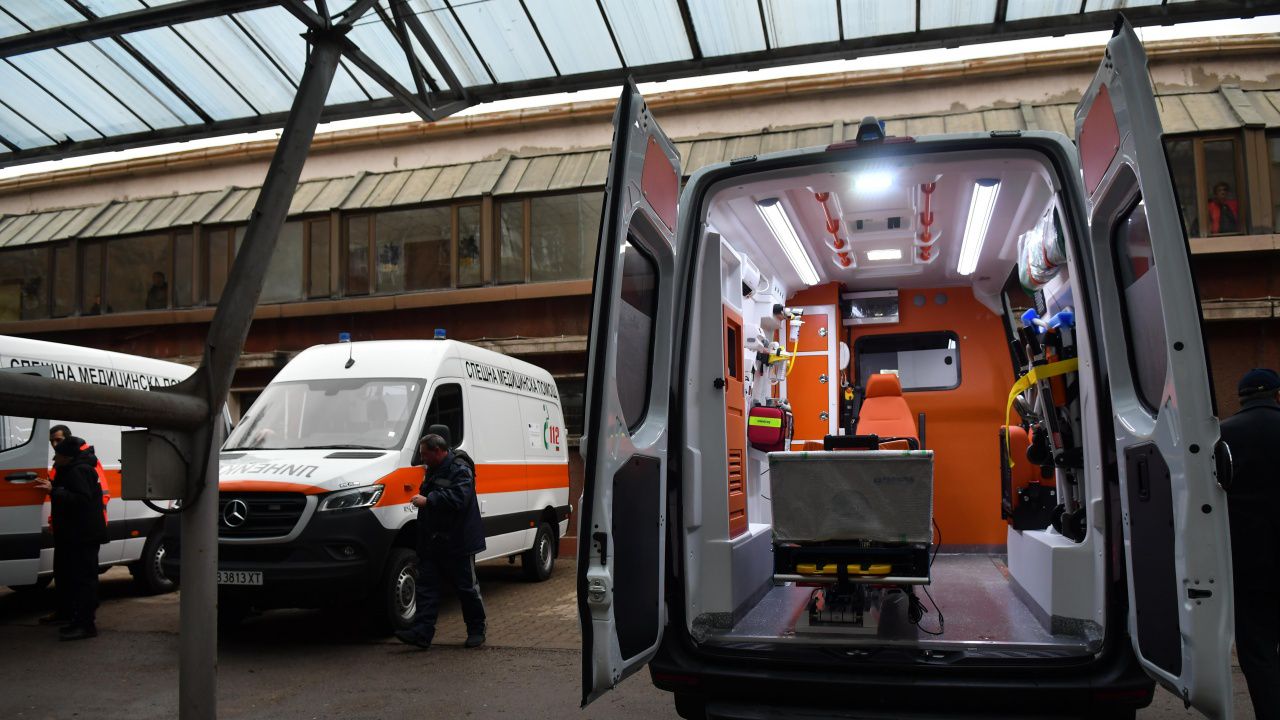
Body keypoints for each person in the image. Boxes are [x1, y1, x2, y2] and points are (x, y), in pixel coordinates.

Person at [1218, 368, 1280, 719]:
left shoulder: (1222, 435)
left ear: (1241, 398)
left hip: (1248, 562)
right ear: (1277, 395)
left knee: (1257, 650)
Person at [394, 434, 486, 650]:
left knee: (467, 589)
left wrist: (429, 500)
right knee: (426, 588)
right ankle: (421, 633)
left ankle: (476, 630)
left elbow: (459, 499)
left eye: (424, 454)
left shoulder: (460, 469)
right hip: (434, 542)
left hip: (458, 542)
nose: (422, 458)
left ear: (438, 451)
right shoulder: (434, 469)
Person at [33, 437, 107, 640]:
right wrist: (54, 486)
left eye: (57, 455)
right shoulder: (74, 468)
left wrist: (54, 491)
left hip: (83, 536)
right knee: (74, 578)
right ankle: (74, 618)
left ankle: (86, 625)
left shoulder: (79, 470)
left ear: (67, 456)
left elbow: (81, 500)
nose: (54, 458)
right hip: (76, 535)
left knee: (84, 580)